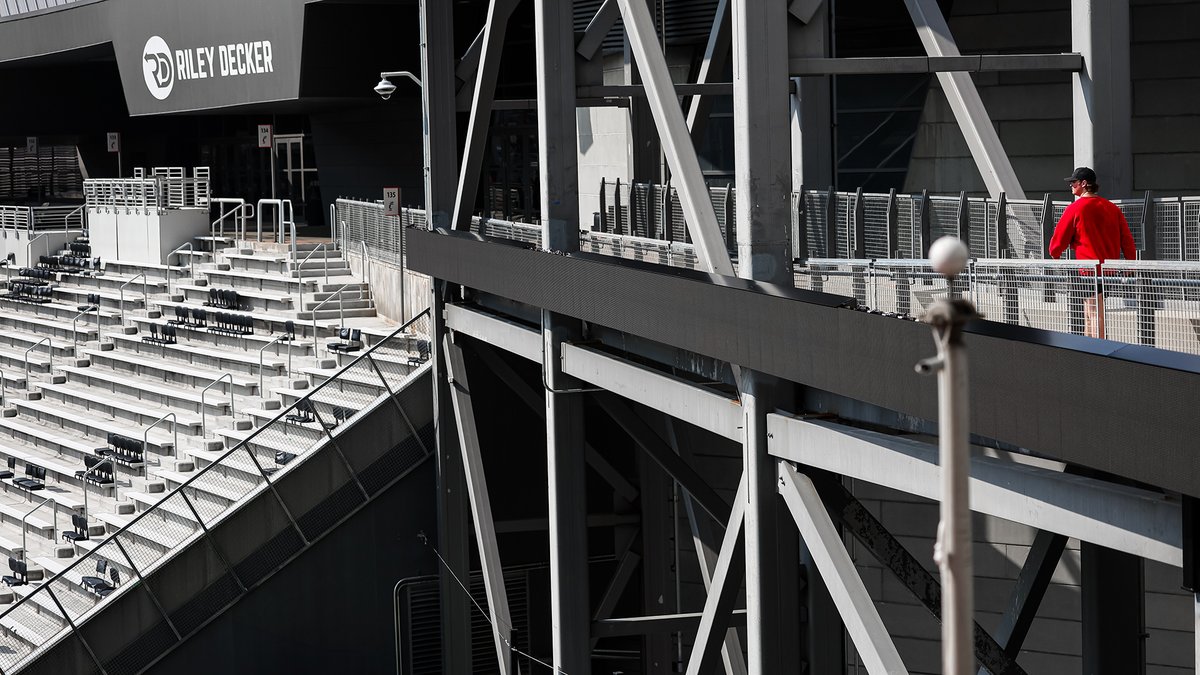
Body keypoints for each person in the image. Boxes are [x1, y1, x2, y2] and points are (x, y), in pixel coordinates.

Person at [1048, 167, 1137, 338]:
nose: (1071, 186)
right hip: (1109, 270)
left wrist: (1055, 254)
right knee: (1090, 311)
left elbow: (1059, 239)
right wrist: (1129, 262)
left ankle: (1098, 351)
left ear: (1083, 183)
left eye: (1073, 182)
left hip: (1087, 270)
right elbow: (1127, 239)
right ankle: (1088, 348)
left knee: (1094, 313)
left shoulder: (1076, 208)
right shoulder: (1111, 208)